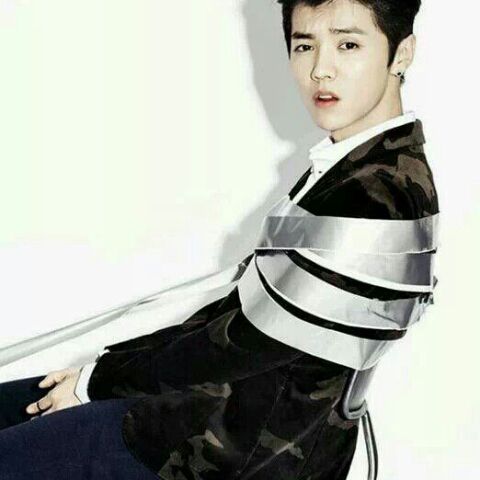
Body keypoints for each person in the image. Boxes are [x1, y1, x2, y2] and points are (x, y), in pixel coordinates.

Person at [0, 0, 439, 479]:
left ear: (401, 53)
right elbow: (238, 314)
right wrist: (102, 368)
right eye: (304, 46)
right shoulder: (355, 168)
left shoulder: (375, 196)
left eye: (348, 45)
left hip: (221, 454)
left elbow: (241, 343)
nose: (320, 69)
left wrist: (97, 383)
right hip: (213, 419)